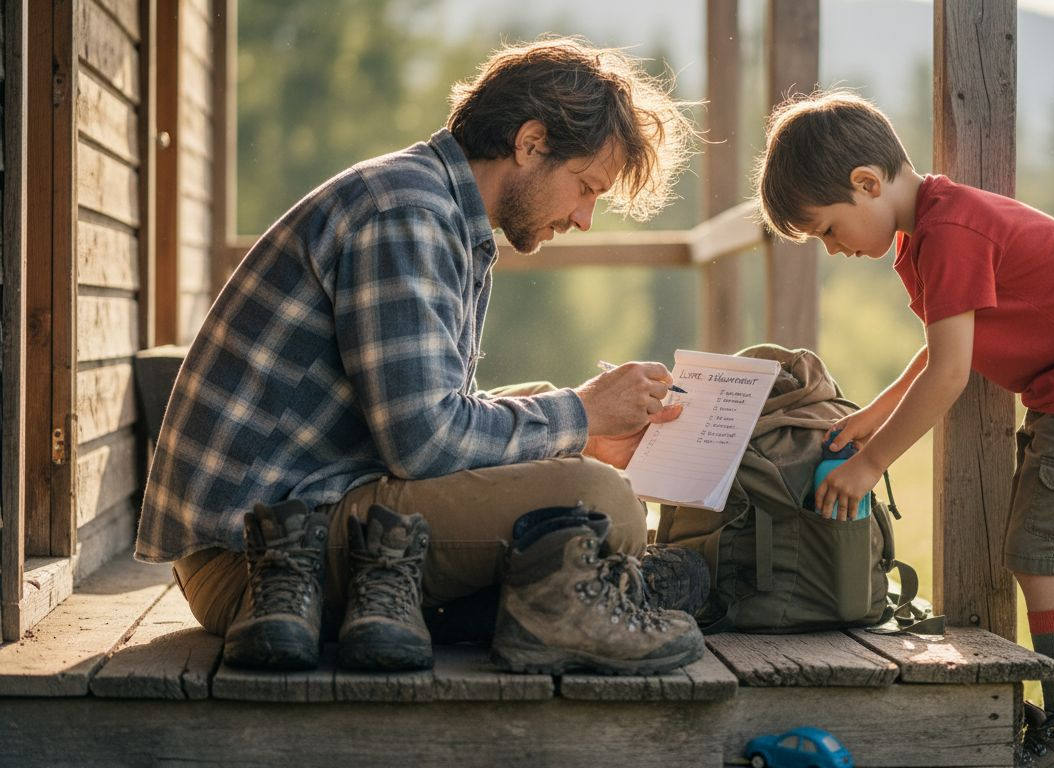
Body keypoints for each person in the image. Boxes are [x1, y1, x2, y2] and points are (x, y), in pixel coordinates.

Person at [136, 37, 708, 676]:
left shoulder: (434, 206)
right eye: (585, 188)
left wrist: (579, 433)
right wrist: (578, 416)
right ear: (529, 143)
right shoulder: (406, 211)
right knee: (605, 503)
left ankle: (527, 607)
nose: (584, 219)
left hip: (314, 517)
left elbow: (427, 422)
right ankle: (562, 600)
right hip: (261, 563)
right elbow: (424, 444)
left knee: (569, 443)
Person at [754, 90, 1054, 768]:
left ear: (867, 183)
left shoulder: (950, 234)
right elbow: (945, 349)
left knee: (1043, 560)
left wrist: (871, 463)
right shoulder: (926, 238)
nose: (831, 250)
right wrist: (873, 416)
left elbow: (950, 375)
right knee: (1044, 560)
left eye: (828, 229)